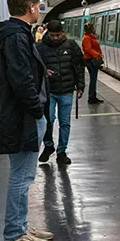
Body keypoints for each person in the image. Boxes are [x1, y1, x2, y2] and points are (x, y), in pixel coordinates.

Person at [0, 0, 53, 241]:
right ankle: (15, 234)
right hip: (23, 117)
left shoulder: (16, 34)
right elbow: (20, 78)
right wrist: (37, 109)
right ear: (30, 7)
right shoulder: (17, 36)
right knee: (22, 177)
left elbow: (24, 72)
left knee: (22, 175)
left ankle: (21, 226)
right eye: (39, 5)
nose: (40, 9)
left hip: (21, 114)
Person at [37, 20, 85, 165]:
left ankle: (62, 151)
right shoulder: (40, 48)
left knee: (65, 123)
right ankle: (49, 145)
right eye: (52, 35)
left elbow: (79, 66)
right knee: (48, 120)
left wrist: (80, 86)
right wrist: (44, 72)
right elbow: (34, 67)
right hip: (49, 90)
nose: (56, 38)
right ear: (48, 33)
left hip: (67, 90)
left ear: (63, 32)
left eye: (58, 35)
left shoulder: (71, 46)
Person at [81, 22, 104, 104]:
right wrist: (97, 55)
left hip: (91, 60)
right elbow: (88, 49)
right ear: (89, 29)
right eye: (92, 27)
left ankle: (93, 96)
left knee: (94, 79)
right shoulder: (87, 38)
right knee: (93, 79)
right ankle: (91, 97)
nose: (94, 29)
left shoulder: (90, 37)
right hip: (91, 60)